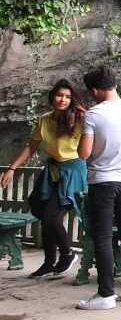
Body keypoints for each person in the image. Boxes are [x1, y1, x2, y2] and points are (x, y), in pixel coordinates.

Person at [76, 64, 121, 310]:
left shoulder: (93, 115)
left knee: (104, 238)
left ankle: (106, 293)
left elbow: (84, 153)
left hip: (102, 182)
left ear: (95, 90)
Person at [1, 79, 88, 278]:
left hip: (73, 170)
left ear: (72, 99)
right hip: (53, 170)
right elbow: (31, 146)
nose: (62, 100)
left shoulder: (79, 119)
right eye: (59, 95)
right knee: (42, 211)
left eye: (67, 97)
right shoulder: (45, 119)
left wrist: (83, 114)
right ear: (52, 96)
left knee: (50, 215)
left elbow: (92, 138)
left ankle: (67, 254)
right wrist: (12, 168)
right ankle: (49, 262)